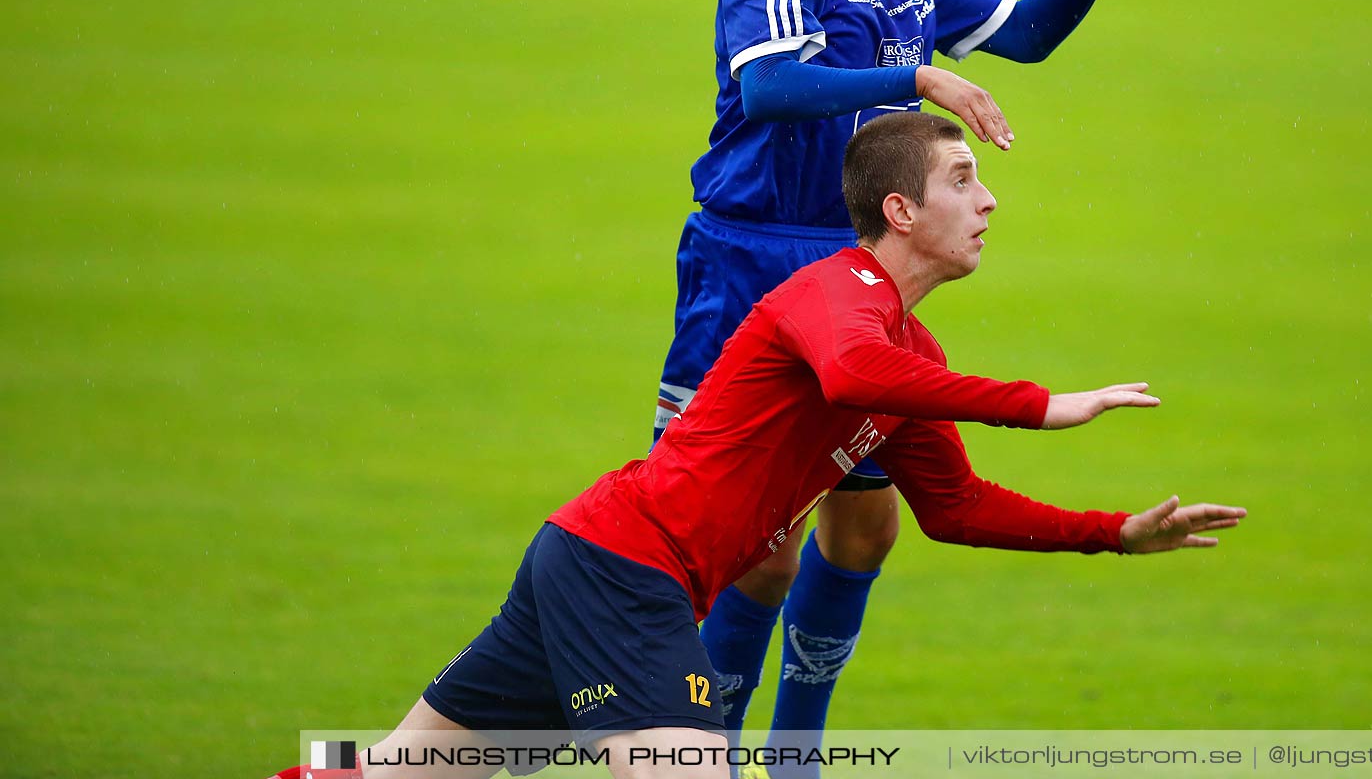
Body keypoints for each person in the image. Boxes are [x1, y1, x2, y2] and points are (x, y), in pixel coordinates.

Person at [267, 112, 1244, 779]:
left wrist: (1114, 533)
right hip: (623, 571)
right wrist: (1039, 405)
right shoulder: (833, 296)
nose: (989, 200)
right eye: (962, 179)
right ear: (899, 213)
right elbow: (854, 375)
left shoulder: (913, 351)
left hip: (594, 561)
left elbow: (953, 510)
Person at [660, 0, 1149, 750]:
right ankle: (695, 754)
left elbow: (1027, 34)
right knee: (758, 554)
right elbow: (768, 88)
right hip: (758, 260)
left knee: (867, 530)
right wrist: (915, 75)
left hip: (863, 275)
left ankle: (792, 758)